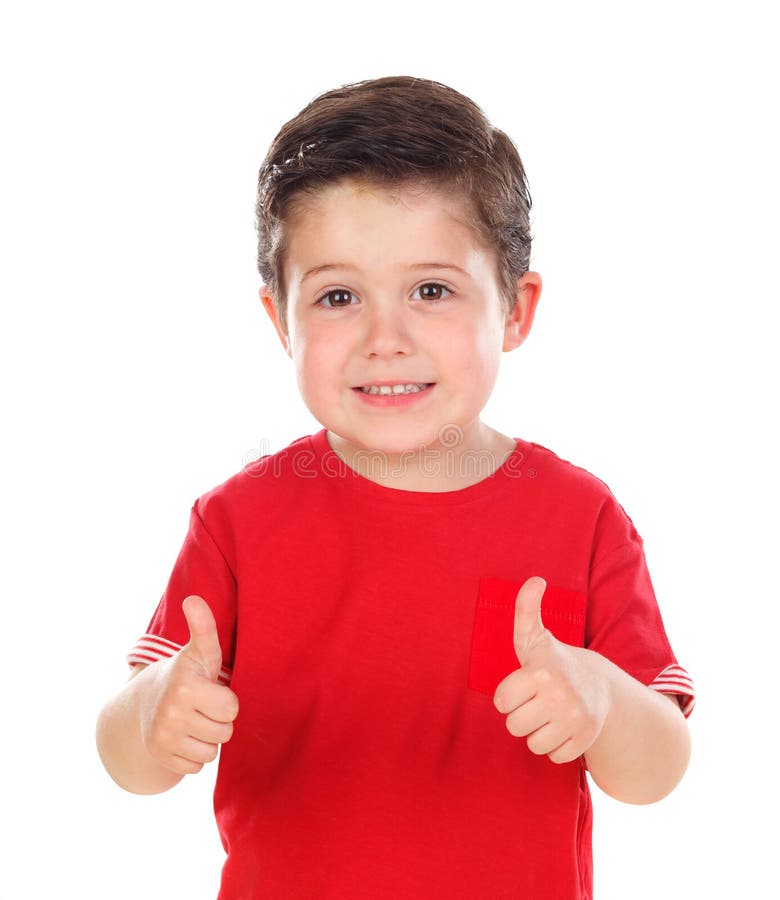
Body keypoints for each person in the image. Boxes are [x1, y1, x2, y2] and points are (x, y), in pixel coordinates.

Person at [96, 75, 694, 899]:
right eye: (339, 296)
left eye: (432, 290)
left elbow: (656, 769)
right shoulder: (237, 520)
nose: (387, 339)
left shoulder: (583, 517)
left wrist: (604, 703)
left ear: (515, 311)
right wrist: (156, 711)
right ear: (281, 322)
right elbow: (128, 759)